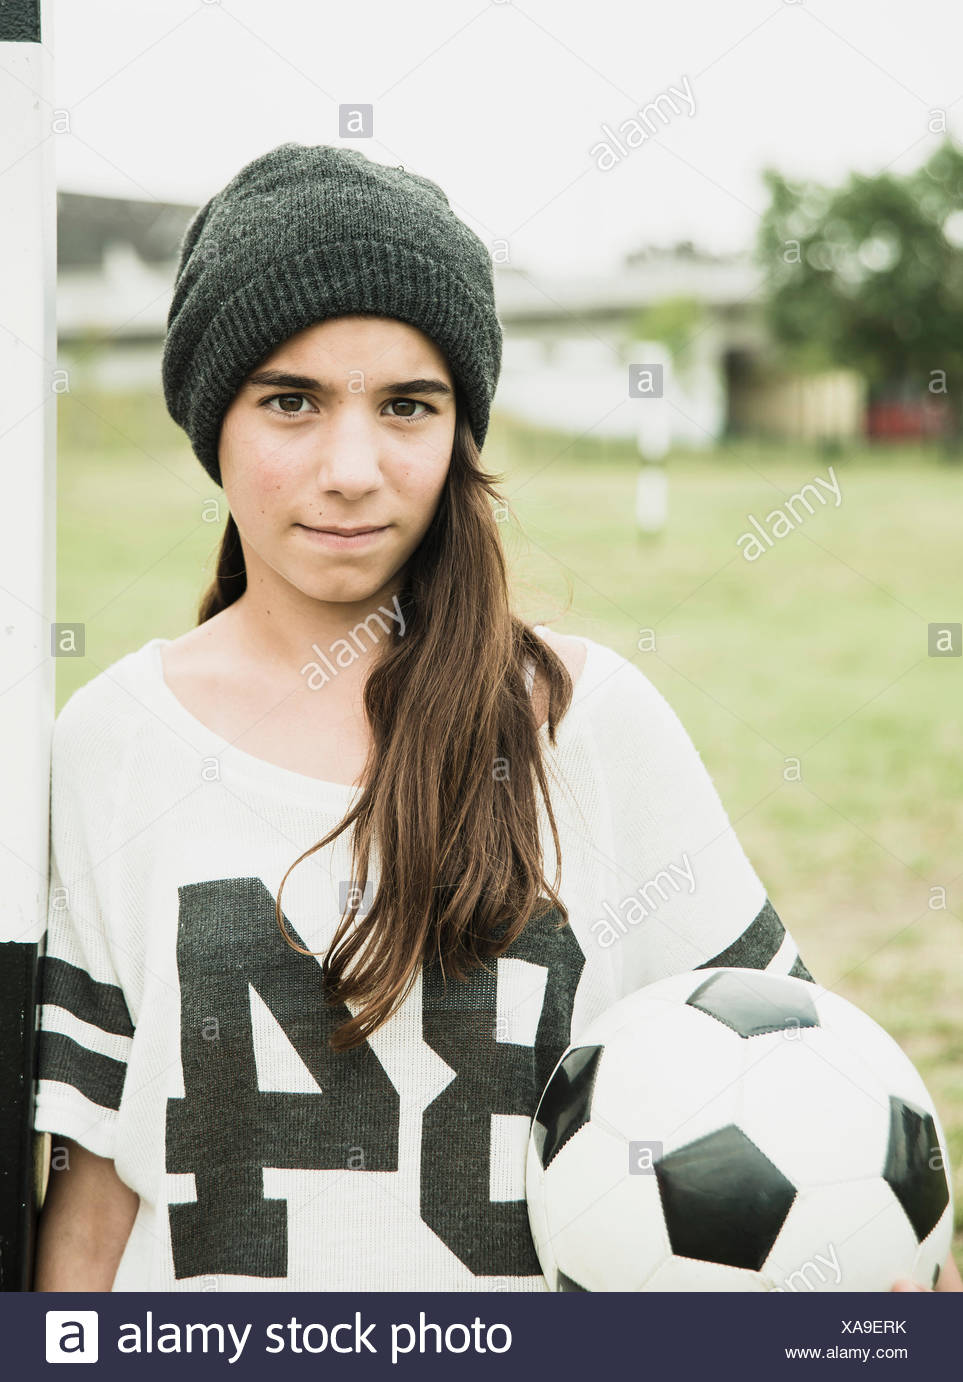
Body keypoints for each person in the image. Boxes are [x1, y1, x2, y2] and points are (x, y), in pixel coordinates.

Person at [32, 143, 961, 1294]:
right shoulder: (111, 742)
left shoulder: (591, 722)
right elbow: (96, 1182)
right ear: (210, 420)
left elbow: (808, 1104)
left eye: (407, 406)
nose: (353, 467)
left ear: (460, 429)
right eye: (290, 402)